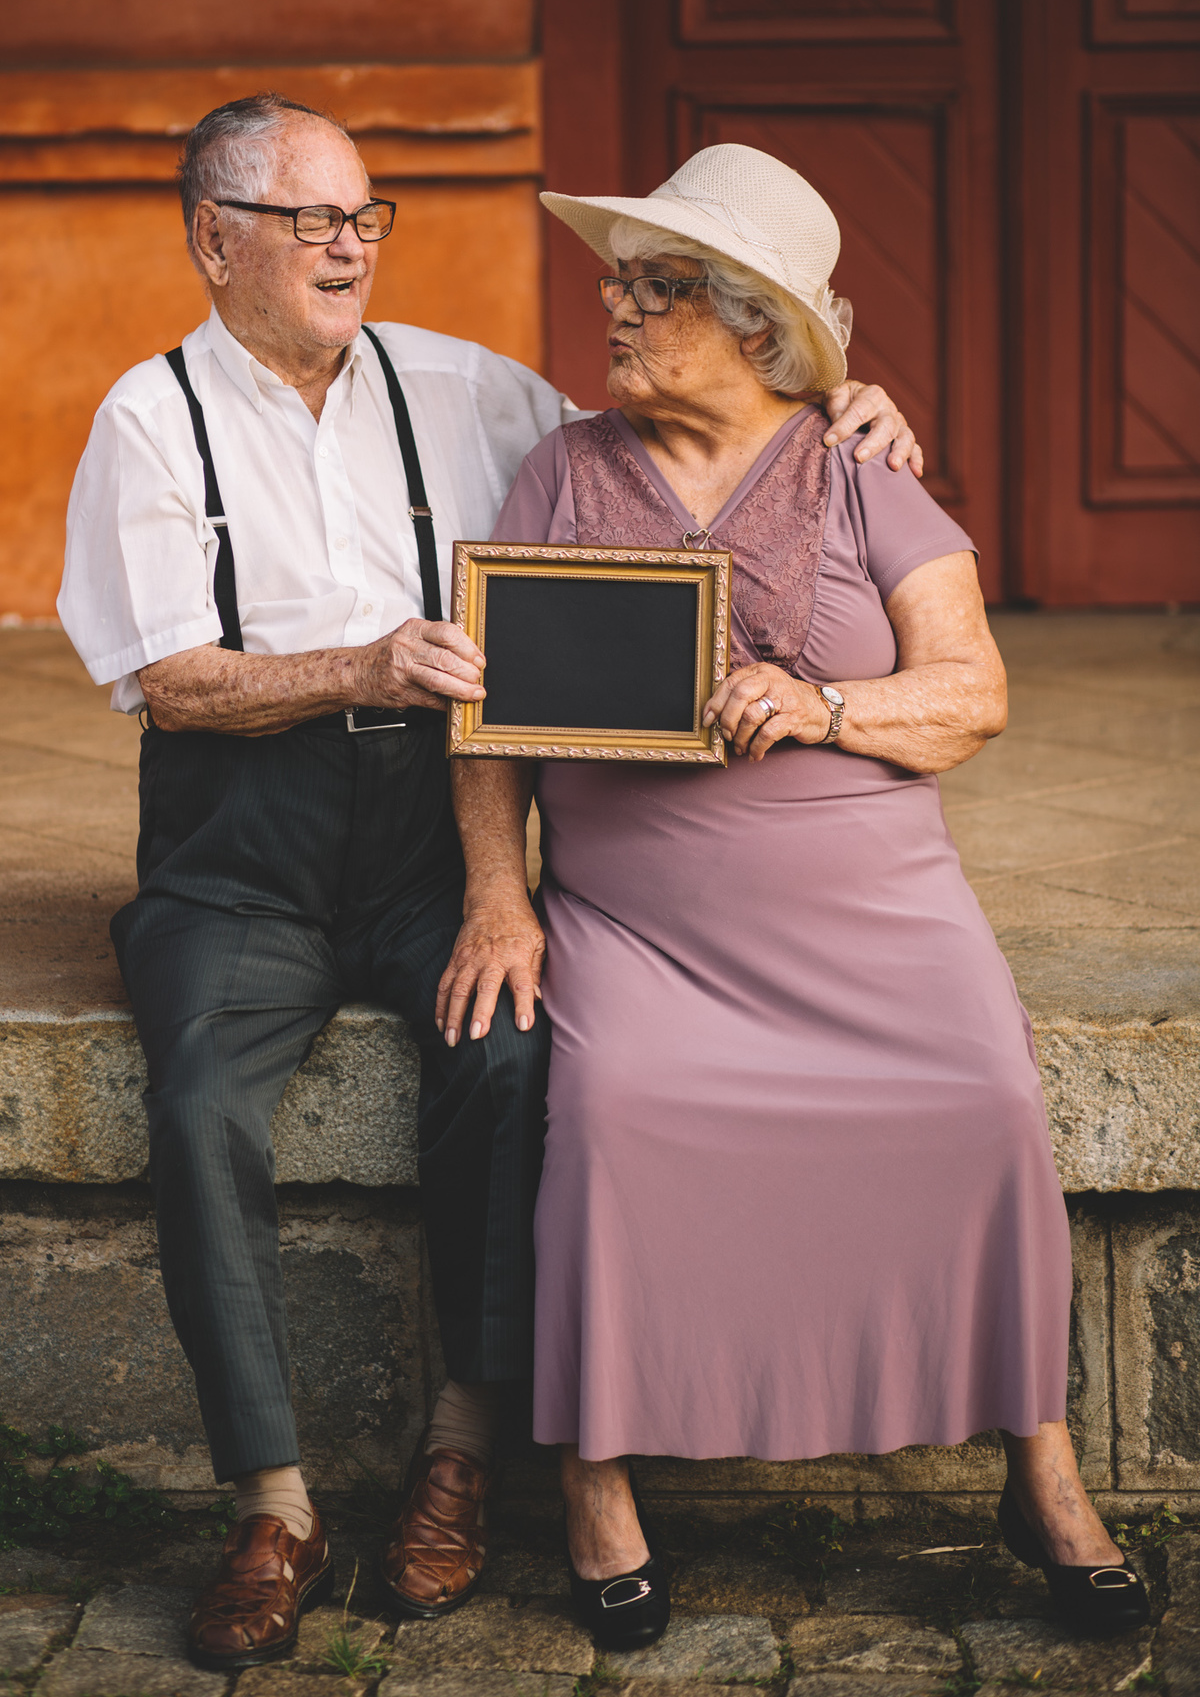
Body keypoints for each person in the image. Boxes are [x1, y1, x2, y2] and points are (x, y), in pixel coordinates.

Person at [56, 99, 918, 1672]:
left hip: (422, 835)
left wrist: (849, 408)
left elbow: (694, 409)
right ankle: (274, 1505)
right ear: (212, 239)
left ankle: (458, 1452)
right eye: (309, 219)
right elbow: (170, 680)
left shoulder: (467, 390)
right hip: (234, 850)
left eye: (364, 217)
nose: (348, 245)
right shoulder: (148, 419)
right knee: (192, 1103)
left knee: (513, 1054)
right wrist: (365, 661)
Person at [439, 143, 1152, 1647]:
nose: (616, 309)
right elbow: (484, 717)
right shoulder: (565, 469)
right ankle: (597, 1479)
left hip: (873, 923)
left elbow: (973, 694)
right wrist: (502, 902)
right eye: (614, 280)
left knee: (985, 1095)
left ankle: (1041, 1467)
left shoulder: (862, 467)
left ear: (757, 323)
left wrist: (826, 708)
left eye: (658, 286)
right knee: (617, 1111)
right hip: (646, 927)